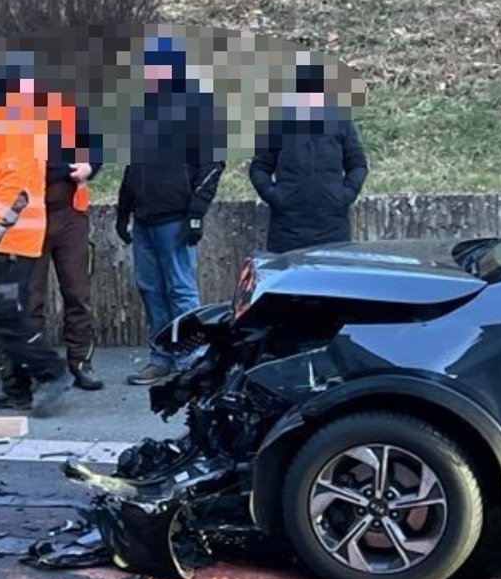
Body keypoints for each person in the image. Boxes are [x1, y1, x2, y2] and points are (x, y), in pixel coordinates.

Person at [0, 64, 69, 416]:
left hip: (9, 245)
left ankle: (52, 373)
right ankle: (16, 388)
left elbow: (15, 194)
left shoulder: (12, 131)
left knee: (6, 316)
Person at [117, 36, 224, 386]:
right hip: (144, 218)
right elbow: (134, 166)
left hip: (176, 217)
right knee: (150, 289)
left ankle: (193, 359)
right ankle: (161, 357)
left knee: (181, 291)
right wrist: (123, 210)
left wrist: (196, 212)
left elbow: (212, 163)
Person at [249, 62, 369, 253]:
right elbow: (259, 168)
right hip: (287, 227)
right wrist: (276, 197)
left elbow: (358, 165)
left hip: (332, 225)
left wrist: (344, 195)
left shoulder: (340, 123)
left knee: (330, 281)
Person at [32, 86, 103, 391]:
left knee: (77, 294)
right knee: (31, 300)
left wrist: (90, 165)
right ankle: (35, 370)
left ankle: (81, 364)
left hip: (70, 213)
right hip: (30, 215)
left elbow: (97, 146)